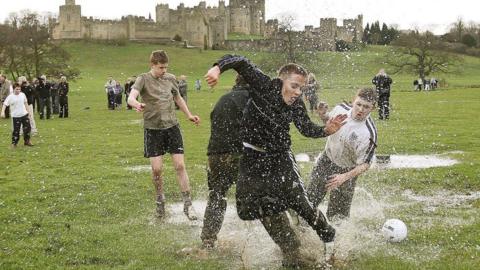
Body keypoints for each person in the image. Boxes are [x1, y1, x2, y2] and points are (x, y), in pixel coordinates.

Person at [205, 55, 347, 267]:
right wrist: (217, 68)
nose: (298, 92)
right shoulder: (263, 85)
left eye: (302, 88)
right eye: (295, 86)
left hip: (281, 157)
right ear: (281, 81)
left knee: (302, 204)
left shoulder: (296, 104)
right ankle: (289, 246)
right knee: (251, 205)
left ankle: (330, 239)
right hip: (253, 157)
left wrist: (326, 130)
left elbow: (306, 128)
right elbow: (240, 62)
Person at [128, 50, 200, 220]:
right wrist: (136, 104)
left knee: (180, 166)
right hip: (153, 130)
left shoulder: (170, 78)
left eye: (166, 67)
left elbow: (178, 98)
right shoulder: (143, 79)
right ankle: (160, 202)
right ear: (152, 65)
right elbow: (130, 97)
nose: (164, 71)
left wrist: (189, 115)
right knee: (157, 169)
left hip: (172, 127)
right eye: (161, 67)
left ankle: (188, 204)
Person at [307, 88, 377, 224]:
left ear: (372, 108)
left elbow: (365, 164)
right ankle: (303, 229)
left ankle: (337, 241)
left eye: (366, 107)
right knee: (309, 200)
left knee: (337, 217)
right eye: (359, 104)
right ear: (353, 101)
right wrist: (323, 115)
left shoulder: (368, 133)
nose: (361, 109)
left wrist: (343, 177)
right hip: (326, 160)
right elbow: (329, 122)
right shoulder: (341, 108)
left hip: (347, 171)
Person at [201, 74, 250, 249]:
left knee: (217, 194)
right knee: (259, 192)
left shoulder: (224, 98)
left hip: (215, 153)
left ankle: (208, 238)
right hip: (238, 153)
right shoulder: (252, 100)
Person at [1, 83, 33, 147]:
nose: (18, 90)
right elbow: (5, 104)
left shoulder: (22, 94)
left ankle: (27, 141)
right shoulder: (10, 97)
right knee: (16, 130)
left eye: (19, 89)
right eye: (17, 89)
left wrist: (28, 112)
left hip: (24, 114)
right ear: (13, 89)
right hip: (16, 116)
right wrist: (2, 112)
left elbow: (25, 103)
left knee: (27, 128)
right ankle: (14, 143)